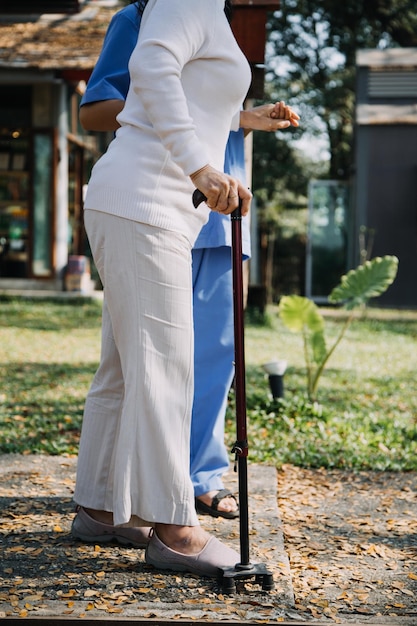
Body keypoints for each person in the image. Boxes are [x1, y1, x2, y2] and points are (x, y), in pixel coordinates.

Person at [73, 0, 298, 577]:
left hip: (143, 203)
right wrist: (202, 168)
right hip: (146, 199)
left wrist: (244, 119)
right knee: (165, 367)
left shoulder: (209, 8)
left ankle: (99, 509)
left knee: (126, 368)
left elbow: (183, 101)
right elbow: (150, 68)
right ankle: (175, 529)